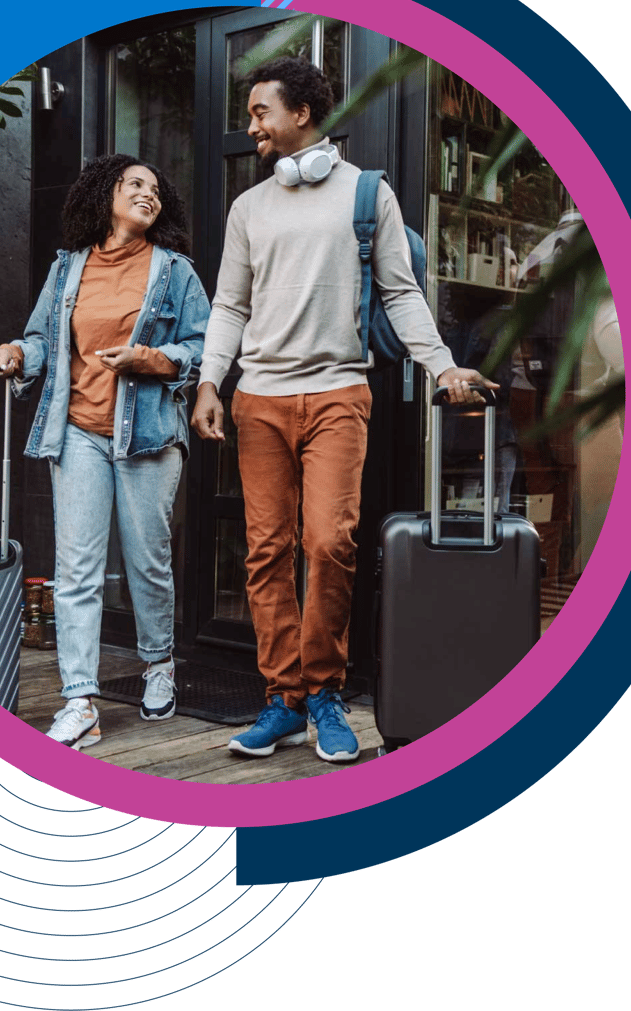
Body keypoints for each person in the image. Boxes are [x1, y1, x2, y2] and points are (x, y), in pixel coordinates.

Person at [191, 57, 497, 764]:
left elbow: (401, 293)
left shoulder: (367, 194)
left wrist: (442, 365)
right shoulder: (249, 208)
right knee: (267, 550)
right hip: (259, 397)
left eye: (261, 110)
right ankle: (284, 701)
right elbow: (230, 303)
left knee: (329, 542)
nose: (250, 125)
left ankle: (324, 690)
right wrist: (210, 381)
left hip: (337, 393)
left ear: (302, 112)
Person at [0, 153, 209, 750]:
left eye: (156, 189)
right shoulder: (67, 269)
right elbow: (41, 340)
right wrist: (16, 353)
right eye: (134, 184)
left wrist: (155, 360)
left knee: (147, 561)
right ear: (102, 195)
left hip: (149, 434)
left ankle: (158, 663)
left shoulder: (174, 271)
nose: (147, 194)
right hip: (78, 431)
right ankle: (80, 699)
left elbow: (202, 344)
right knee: (75, 571)